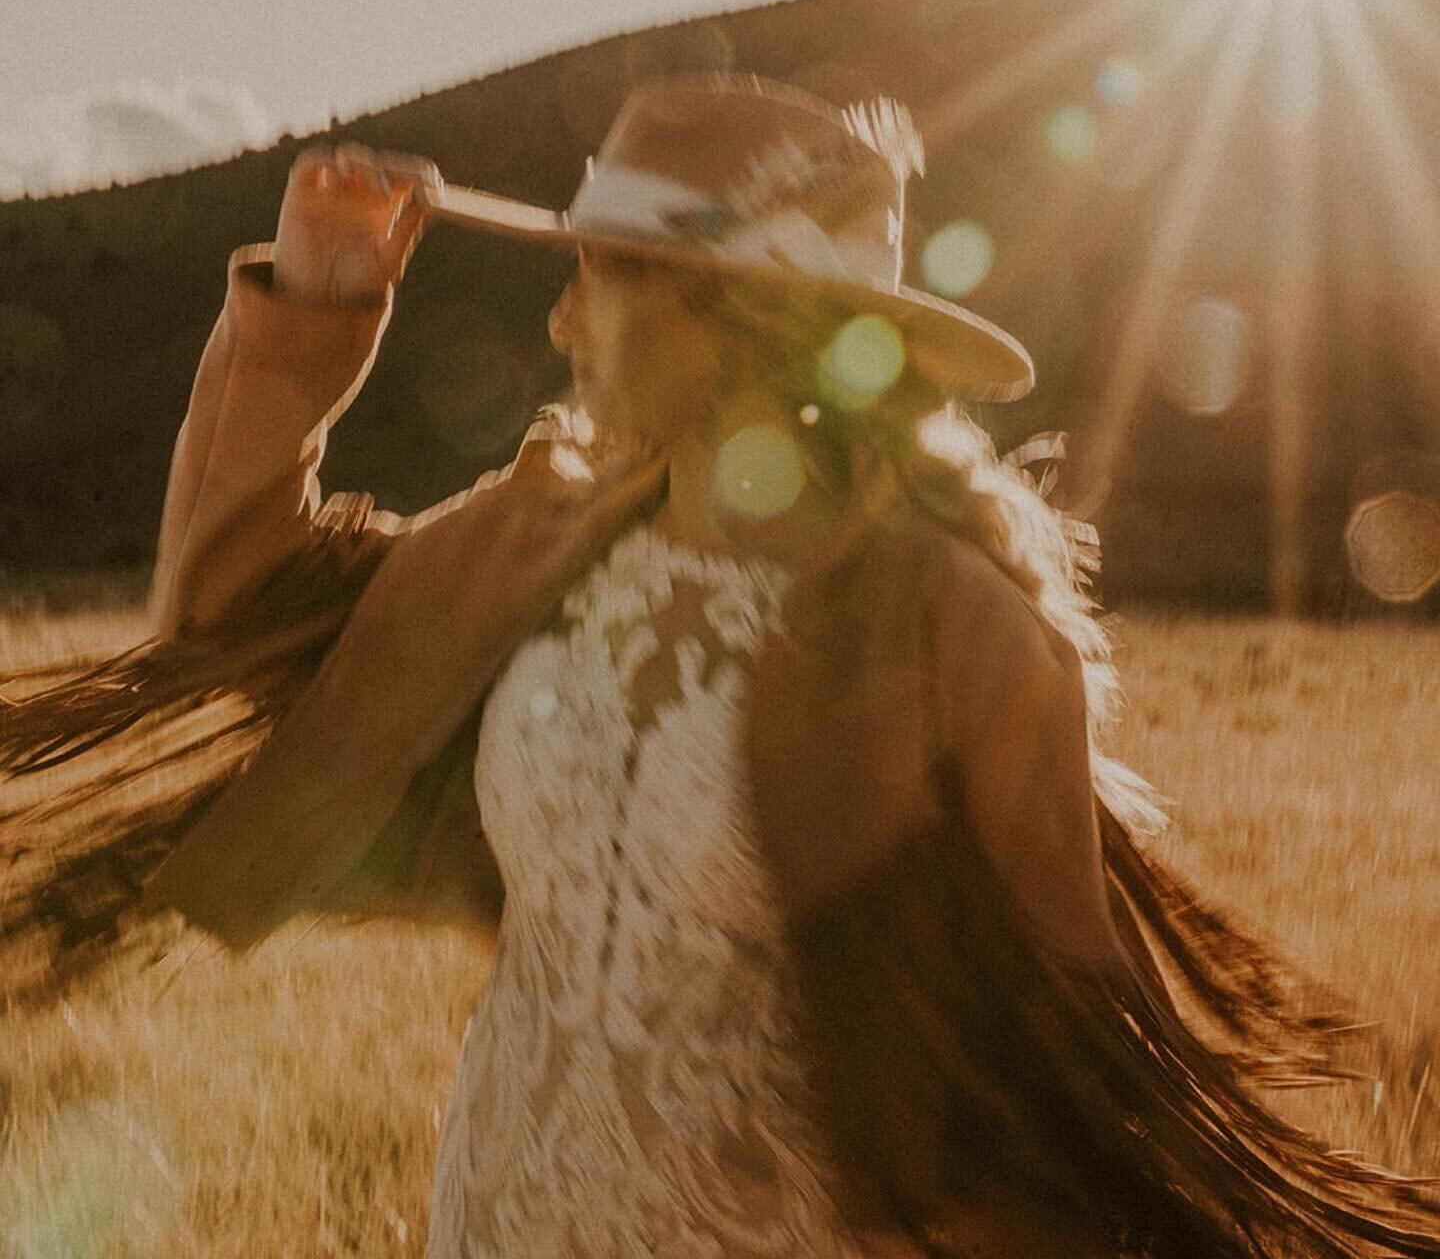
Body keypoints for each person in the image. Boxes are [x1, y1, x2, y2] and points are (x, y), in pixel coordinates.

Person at [5, 74, 1440, 1258]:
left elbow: (1050, 1091)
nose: (560, 323)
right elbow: (223, 616)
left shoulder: (962, 638)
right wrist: (313, 313)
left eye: (604, 280)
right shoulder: (538, 532)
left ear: (742, 319)